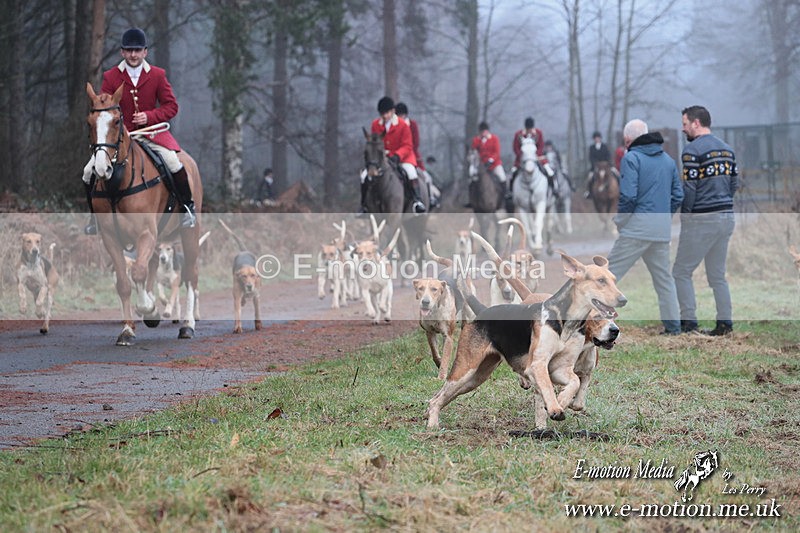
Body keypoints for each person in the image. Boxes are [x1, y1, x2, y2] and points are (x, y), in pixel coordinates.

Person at [84, 27, 195, 234]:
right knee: (87, 171)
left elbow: (172, 106)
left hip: (152, 134)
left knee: (173, 162)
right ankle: (94, 219)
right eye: (128, 50)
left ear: (145, 52)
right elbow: (104, 108)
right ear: (122, 52)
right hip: (119, 138)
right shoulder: (111, 76)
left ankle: (188, 208)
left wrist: (149, 116)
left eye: (137, 50)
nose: (133, 55)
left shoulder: (158, 75)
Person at [606, 119, 684, 335]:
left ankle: (583, 324)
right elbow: (678, 195)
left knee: (605, 277)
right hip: (660, 231)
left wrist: (621, 221)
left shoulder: (631, 158)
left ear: (628, 140)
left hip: (636, 230)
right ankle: (673, 328)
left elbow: (628, 197)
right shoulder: (668, 160)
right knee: (664, 281)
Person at [672, 105, 738, 336]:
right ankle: (724, 324)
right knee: (717, 275)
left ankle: (689, 324)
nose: (683, 128)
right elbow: (734, 184)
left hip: (702, 219)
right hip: (726, 217)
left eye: (685, 123)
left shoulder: (692, 151)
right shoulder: (728, 149)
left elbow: (689, 188)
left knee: (681, 271)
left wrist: (686, 215)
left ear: (696, 123)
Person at [359, 96, 426, 215]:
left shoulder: (402, 125)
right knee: (364, 176)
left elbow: (408, 145)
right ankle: (364, 205)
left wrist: (397, 156)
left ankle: (417, 202)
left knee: (411, 172)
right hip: (382, 158)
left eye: (387, 113)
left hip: (402, 157)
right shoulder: (375, 124)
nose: (385, 116)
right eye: (382, 113)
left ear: (393, 111)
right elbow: (375, 143)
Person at [396, 102, 440, 209]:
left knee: (427, 178)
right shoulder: (394, 126)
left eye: (401, 115)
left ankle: (429, 199)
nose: (400, 117)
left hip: (412, 156)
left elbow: (415, 143)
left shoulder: (413, 125)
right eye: (398, 115)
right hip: (396, 156)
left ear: (405, 115)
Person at [509, 117, 554, 211]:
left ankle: (552, 191)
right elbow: (515, 147)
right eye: (528, 128)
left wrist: (535, 155)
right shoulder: (518, 134)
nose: (529, 130)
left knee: (549, 172)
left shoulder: (538, 133)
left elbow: (541, 146)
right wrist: (522, 156)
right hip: (522, 160)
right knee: (512, 174)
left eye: (530, 128)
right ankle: (510, 193)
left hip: (537, 158)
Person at [469, 121, 508, 208]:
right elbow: (473, 151)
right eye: (481, 132)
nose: (483, 133)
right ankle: (472, 199)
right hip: (482, 166)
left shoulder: (494, 139)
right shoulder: (476, 140)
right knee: (472, 179)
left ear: (487, 131)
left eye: (484, 131)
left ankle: (506, 196)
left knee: (502, 177)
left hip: (494, 164)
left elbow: (497, 152)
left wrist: (491, 160)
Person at [585, 130, 613, 199]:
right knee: (590, 178)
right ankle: (589, 192)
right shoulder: (592, 148)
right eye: (595, 138)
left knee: (616, 174)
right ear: (594, 139)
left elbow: (608, 155)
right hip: (596, 167)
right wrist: (595, 165)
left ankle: (619, 191)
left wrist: (608, 163)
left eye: (598, 138)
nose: (597, 139)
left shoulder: (604, 146)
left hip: (606, 166)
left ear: (600, 138)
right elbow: (591, 158)